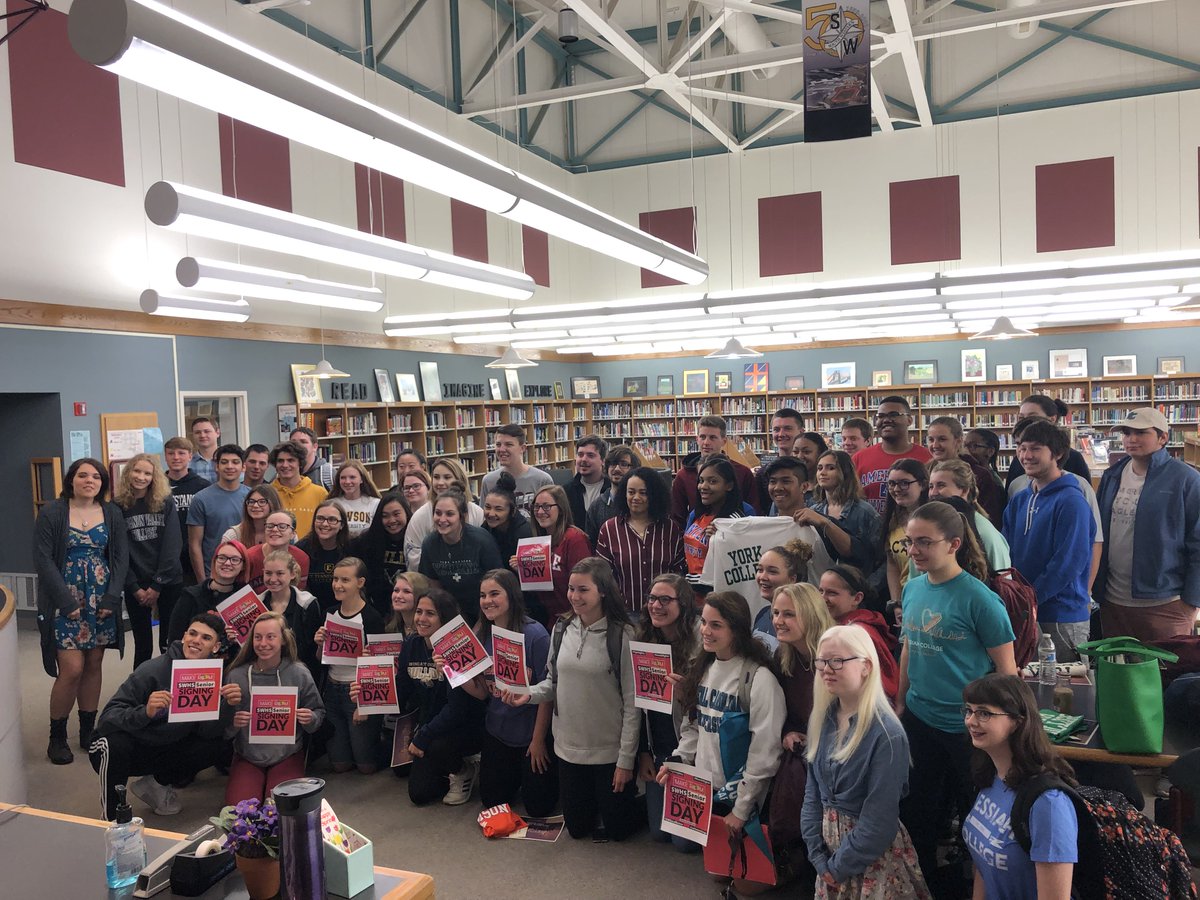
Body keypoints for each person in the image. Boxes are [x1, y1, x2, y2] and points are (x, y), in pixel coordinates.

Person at [898, 500, 1017, 889]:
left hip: (967, 727)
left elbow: (1007, 672)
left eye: (924, 543)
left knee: (974, 811)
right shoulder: (913, 588)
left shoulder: (979, 599)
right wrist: (901, 701)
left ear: (954, 544)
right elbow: (908, 647)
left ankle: (975, 886)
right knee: (919, 809)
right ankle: (925, 884)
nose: (914, 551)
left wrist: (997, 727)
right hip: (919, 716)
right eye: (910, 542)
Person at [505, 558, 642, 842]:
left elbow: (632, 704)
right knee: (578, 830)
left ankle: (641, 798)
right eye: (570, 589)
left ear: (602, 591)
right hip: (568, 748)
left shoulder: (624, 635)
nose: (574, 597)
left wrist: (626, 762)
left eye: (583, 590)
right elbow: (552, 683)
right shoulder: (561, 627)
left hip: (609, 751)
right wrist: (528, 694)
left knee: (618, 831)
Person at [665, 591, 785, 894]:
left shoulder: (759, 679)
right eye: (704, 622)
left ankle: (791, 861)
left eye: (716, 625)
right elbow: (692, 725)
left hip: (742, 792)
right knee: (719, 874)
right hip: (709, 789)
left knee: (745, 887)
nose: (705, 630)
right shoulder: (702, 667)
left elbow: (765, 751)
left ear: (736, 629)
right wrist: (678, 761)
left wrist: (742, 809)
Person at [802, 626, 929, 899]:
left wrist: (836, 868)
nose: (826, 669)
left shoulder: (887, 735)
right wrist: (817, 856)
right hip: (829, 860)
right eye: (822, 661)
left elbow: (878, 821)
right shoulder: (823, 720)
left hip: (872, 862)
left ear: (866, 667)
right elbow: (813, 795)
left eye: (837, 661)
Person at [88, 613, 240, 819]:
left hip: (164, 745)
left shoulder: (213, 677)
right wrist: (146, 712)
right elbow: (107, 719)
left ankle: (156, 784)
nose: (196, 640)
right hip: (123, 743)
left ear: (215, 647)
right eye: (192, 634)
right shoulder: (153, 669)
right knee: (115, 745)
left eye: (206, 638)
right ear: (184, 637)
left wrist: (228, 706)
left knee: (218, 745)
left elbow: (207, 732)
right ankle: (113, 818)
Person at [35, 457, 130, 765]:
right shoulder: (52, 512)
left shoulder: (112, 512)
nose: (90, 481)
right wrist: (65, 602)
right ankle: (57, 736)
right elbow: (43, 560)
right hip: (64, 597)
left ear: (103, 483)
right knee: (72, 668)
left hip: (101, 598)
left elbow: (120, 558)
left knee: (94, 663)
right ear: (71, 480)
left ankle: (88, 731)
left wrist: (112, 598)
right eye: (83, 475)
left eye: (96, 477)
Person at [961, 674, 1078, 900]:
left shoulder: (1049, 804)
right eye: (969, 710)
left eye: (984, 713)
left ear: (1018, 721)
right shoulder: (990, 776)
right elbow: (983, 868)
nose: (971, 721)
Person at [368, 588, 485, 804]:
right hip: (430, 722)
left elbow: (457, 709)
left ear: (445, 618)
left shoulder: (458, 646)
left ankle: (464, 769)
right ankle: (445, 765)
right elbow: (402, 689)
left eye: (430, 613)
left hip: (463, 726)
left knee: (435, 754)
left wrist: (423, 737)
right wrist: (368, 699)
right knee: (415, 788)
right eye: (419, 611)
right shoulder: (412, 644)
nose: (421, 618)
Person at [1096, 407, 1200, 643]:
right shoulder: (1112, 476)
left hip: (1165, 603)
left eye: (1141, 433)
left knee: (1166, 676)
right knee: (1118, 674)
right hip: (1113, 601)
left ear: (1163, 437)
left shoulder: (1186, 480)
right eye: (1126, 432)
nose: (1131, 439)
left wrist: (1191, 602)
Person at [459, 570, 556, 816]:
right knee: (491, 801)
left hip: (531, 732)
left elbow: (549, 692)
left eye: (494, 594)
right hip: (498, 731)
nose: (487, 601)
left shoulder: (536, 635)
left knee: (538, 808)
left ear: (511, 596)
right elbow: (482, 693)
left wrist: (538, 741)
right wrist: (455, 673)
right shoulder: (481, 634)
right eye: (482, 595)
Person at [1003, 419, 1095, 662]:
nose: (1026, 455)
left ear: (1058, 453)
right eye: (1021, 448)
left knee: (1067, 693)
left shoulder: (1072, 502)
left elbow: (1068, 563)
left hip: (1061, 615)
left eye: (1035, 449)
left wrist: (1028, 599)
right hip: (1023, 612)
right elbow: (1006, 552)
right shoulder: (1020, 500)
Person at [225, 611, 325, 805]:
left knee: (282, 810)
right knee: (238, 814)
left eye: (271, 637)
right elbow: (220, 727)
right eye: (258, 637)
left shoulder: (298, 673)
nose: (263, 644)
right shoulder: (236, 675)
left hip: (287, 754)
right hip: (247, 755)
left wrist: (310, 718)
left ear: (284, 640)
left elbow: (319, 712)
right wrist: (232, 723)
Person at [636, 574, 701, 852]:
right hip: (659, 746)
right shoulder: (645, 638)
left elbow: (699, 714)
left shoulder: (699, 641)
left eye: (665, 599)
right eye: (652, 598)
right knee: (659, 834)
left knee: (684, 844)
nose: (656, 605)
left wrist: (686, 693)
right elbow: (637, 704)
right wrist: (643, 752)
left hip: (690, 748)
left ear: (683, 603)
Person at [314, 557, 386, 774]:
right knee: (340, 765)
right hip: (332, 690)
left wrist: (364, 705)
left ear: (360, 583)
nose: (337, 585)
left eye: (345, 580)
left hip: (356, 692)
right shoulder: (329, 613)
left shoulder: (372, 617)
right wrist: (319, 645)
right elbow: (321, 659)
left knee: (366, 767)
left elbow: (378, 668)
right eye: (335, 579)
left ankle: (386, 741)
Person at [115, 453, 183, 669]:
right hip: (135, 582)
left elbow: (173, 545)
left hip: (168, 580)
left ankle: (168, 687)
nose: (141, 477)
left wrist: (157, 584)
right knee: (142, 644)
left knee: (169, 642)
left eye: (147, 473)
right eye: (137, 471)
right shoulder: (116, 506)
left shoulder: (165, 502)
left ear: (154, 477)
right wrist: (134, 587)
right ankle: (140, 692)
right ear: (128, 473)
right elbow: (118, 551)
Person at [596, 465, 685, 613]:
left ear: (655, 495)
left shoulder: (671, 530)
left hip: (665, 613)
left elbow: (679, 575)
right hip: (624, 614)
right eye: (631, 492)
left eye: (643, 493)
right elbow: (603, 577)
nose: (636, 498)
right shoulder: (609, 530)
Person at [418, 488, 503, 625]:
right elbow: (433, 587)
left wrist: (481, 626)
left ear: (462, 516)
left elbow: (498, 584)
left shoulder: (482, 541)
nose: (442, 519)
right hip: (450, 613)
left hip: (485, 610)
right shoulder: (430, 544)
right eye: (438, 513)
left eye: (449, 514)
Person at [818, 566, 899, 702]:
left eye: (832, 593)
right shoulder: (844, 626)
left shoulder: (858, 633)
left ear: (857, 598)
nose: (822, 599)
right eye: (820, 591)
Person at [800, 451, 882, 580]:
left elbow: (878, 559)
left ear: (845, 472)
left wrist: (869, 590)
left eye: (831, 468)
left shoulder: (865, 512)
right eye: (819, 468)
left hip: (857, 587)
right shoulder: (813, 510)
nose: (823, 472)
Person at [519, 485, 591, 622]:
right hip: (552, 620)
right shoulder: (538, 542)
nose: (540, 511)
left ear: (561, 509)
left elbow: (584, 584)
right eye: (536, 506)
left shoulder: (574, 539)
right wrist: (523, 568)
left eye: (546, 506)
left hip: (575, 619)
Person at [683, 456, 755, 591]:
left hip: (717, 594)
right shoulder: (697, 514)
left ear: (729, 485)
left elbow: (740, 563)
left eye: (713, 481)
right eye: (701, 480)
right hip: (692, 593)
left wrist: (721, 541)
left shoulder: (735, 520)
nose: (703, 486)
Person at [671, 416, 757, 526]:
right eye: (702, 437)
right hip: (695, 537)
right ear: (697, 439)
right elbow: (677, 516)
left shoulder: (743, 472)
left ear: (724, 441)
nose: (706, 442)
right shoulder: (683, 476)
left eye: (712, 437)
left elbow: (754, 513)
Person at [851, 396, 932, 514]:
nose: (886, 420)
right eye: (881, 416)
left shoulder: (927, 458)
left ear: (909, 420)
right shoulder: (859, 458)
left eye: (893, 414)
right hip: (869, 528)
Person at [927, 459, 1010, 573]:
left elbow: (1002, 579)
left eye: (941, 485)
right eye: (931, 486)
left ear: (964, 490)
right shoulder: (929, 525)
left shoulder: (984, 531)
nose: (933, 493)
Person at [403, 458, 484, 571]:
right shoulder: (420, 516)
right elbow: (413, 556)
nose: (440, 483)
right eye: (436, 477)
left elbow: (484, 548)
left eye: (447, 477)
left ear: (459, 480)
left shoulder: (476, 512)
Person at [924, 416, 1004, 526]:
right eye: (931, 440)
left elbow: (992, 517)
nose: (935, 445)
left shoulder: (979, 475)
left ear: (958, 441)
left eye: (942, 439)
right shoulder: (924, 472)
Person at [187, 443, 250, 581]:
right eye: (224, 462)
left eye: (235, 462)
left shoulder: (252, 498)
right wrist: (203, 581)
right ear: (217, 466)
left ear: (243, 467)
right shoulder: (201, 499)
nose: (229, 466)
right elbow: (194, 544)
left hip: (246, 574)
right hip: (214, 575)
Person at [168, 539, 249, 645]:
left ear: (243, 565)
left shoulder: (246, 597)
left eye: (234, 559)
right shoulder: (190, 596)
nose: (227, 563)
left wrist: (236, 642)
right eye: (222, 558)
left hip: (234, 659)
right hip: (194, 659)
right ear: (214, 561)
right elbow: (175, 641)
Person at [1003, 395, 1091, 490]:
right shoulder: (1018, 464)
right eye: (1021, 418)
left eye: (1036, 448)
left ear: (1052, 419)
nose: (1027, 456)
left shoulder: (1074, 461)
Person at [349, 491, 411, 620]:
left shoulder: (417, 540)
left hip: (410, 606)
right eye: (385, 516)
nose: (392, 520)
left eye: (396, 514)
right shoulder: (366, 542)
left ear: (406, 512)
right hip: (378, 608)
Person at [259, 549, 319, 673]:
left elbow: (312, 651)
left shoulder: (307, 604)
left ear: (292, 574)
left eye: (280, 573)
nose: (273, 579)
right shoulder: (255, 605)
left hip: (298, 674)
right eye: (268, 573)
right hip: (264, 672)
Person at [165, 435, 209, 604]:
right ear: (165, 455)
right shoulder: (157, 486)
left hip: (194, 559)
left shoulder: (202, 486)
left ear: (190, 456)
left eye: (181, 453)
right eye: (171, 453)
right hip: (167, 561)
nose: (176, 457)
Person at [881, 458, 928, 607]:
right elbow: (892, 564)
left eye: (904, 483)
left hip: (928, 598)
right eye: (892, 483)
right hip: (905, 600)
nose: (896, 489)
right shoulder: (892, 521)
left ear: (923, 484)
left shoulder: (934, 522)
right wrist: (896, 603)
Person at [480, 423, 553, 514]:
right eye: (498, 445)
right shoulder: (488, 481)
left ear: (522, 448)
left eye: (508, 444)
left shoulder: (542, 480)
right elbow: (484, 517)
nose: (502, 449)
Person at [751, 540, 818, 639]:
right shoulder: (763, 614)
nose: (763, 577)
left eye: (772, 572)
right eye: (760, 570)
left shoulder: (806, 620)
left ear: (792, 579)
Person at [297, 500, 351, 612]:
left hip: (344, 609)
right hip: (311, 611)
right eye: (320, 518)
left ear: (342, 525)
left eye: (332, 520)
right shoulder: (301, 549)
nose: (325, 524)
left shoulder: (353, 547)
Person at [270, 440, 328, 541]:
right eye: (280, 461)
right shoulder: (268, 493)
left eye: (291, 460)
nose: (285, 465)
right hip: (277, 552)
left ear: (300, 463)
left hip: (311, 551)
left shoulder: (320, 493)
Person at [243, 510, 309, 593]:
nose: (274, 529)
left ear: (293, 534)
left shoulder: (301, 558)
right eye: (270, 526)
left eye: (282, 526)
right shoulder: (249, 557)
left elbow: (299, 592)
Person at [585, 444, 636, 545]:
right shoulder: (596, 507)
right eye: (613, 464)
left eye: (624, 464)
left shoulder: (639, 503)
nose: (617, 469)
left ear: (633, 468)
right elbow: (591, 546)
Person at [754, 408, 805, 509]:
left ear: (801, 432)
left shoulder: (812, 469)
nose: (781, 434)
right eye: (776, 429)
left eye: (787, 428)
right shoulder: (763, 475)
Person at [479, 472, 532, 567]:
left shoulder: (525, 534)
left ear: (512, 511)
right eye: (487, 507)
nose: (491, 514)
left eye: (498, 509)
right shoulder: (485, 529)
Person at [563, 435, 610, 529]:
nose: (583, 459)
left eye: (590, 455)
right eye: (580, 455)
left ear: (603, 461)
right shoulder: (565, 491)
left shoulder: (612, 489)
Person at [328, 460, 382, 538]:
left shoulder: (375, 503)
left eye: (352, 477)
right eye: (343, 478)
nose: (347, 481)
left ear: (361, 479)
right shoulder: (332, 504)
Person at [385, 571, 430, 639]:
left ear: (420, 595)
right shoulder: (391, 628)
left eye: (406, 591)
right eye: (396, 590)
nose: (398, 596)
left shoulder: (428, 631)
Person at [290, 425, 335, 491]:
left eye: (303, 442)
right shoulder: (283, 472)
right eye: (293, 442)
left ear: (315, 447)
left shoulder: (328, 474)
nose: (297, 445)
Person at [188, 416, 220, 483]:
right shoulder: (187, 464)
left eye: (207, 431)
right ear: (193, 435)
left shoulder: (230, 461)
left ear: (217, 433)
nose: (202, 435)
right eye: (197, 432)